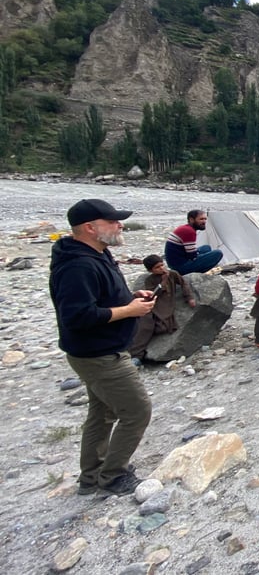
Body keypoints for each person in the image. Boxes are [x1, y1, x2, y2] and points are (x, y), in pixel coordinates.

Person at [50, 198, 156, 496]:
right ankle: (112, 476)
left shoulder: (96, 252)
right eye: (112, 221)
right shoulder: (78, 265)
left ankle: (91, 476)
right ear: (90, 227)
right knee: (137, 410)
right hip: (100, 354)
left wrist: (131, 296)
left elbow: (99, 297)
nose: (119, 224)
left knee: (103, 413)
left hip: (100, 350)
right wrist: (129, 311)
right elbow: (77, 315)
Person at [128, 254, 196, 362]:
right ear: (151, 270)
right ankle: (136, 354)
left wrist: (189, 298)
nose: (161, 269)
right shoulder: (150, 280)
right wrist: (163, 281)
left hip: (167, 305)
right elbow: (153, 294)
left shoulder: (173, 274)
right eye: (157, 267)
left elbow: (184, 284)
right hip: (155, 304)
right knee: (145, 325)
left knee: (160, 324)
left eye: (162, 265)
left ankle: (136, 354)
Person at [164, 210, 223, 274]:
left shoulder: (186, 228)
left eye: (205, 219)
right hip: (179, 266)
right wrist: (200, 257)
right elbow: (192, 256)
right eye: (201, 219)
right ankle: (196, 273)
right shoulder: (189, 231)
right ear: (191, 219)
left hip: (177, 261)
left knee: (206, 248)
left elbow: (191, 252)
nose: (204, 222)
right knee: (218, 253)